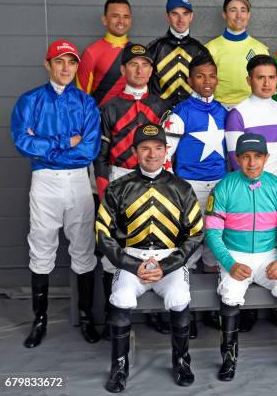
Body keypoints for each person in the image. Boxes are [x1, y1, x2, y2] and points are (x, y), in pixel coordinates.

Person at [97, 124, 203, 392]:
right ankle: (119, 366)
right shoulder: (118, 187)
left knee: (179, 299)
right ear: (134, 152)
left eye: (157, 148)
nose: (152, 154)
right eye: (145, 148)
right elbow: (102, 233)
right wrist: (132, 264)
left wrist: (167, 265)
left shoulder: (182, 187)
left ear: (166, 150)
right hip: (132, 258)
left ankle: (181, 361)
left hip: (170, 259)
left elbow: (197, 233)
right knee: (120, 299)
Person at [11, 40, 101, 347]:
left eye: (71, 63)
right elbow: (23, 142)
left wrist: (47, 143)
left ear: (77, 67)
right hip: (45, 180)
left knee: (84, 247)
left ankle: (87, 316)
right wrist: (66, 142)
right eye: (59, 62)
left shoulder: (86, 103)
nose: (66, 68)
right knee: (41, 245)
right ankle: (39, 320)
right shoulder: (30, 100)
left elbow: (89, 149)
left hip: (78, 180)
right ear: (48, 64)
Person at [205, 133, 277, 381]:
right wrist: (230, 263)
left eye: (257, 156)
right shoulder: (224, 186)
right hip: (235, 254)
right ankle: (229, 357)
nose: (251, 163)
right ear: (237, 159)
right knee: (230, 293)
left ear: (266, 158)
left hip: (268, 254)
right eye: (245, 157)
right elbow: (213, 234)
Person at [94, 43, 171, 339]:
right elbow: (100, 155)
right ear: (124, 69)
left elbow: (169, 150)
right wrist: (104, 192)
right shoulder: (109, 108)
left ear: (151, 70)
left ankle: (154, 313)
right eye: (133, 65)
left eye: (145, 65)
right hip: (120, 179)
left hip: (155, 179)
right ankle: (113, 314)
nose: (140, 70)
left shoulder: (162, 106)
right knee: (113, 244)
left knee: (153, 239)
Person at [163, 52, 228, 332]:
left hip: (221, 188)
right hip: (189, 188)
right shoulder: (179, 113)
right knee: (188, 247)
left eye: (212, 76)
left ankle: (213, 311)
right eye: (200, 76)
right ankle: (184, 310)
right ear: (190, 79)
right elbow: (166, 156)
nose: (207, 81)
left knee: (216, 248)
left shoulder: (225, 112)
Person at [226, 55, 277, 189]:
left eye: (271, 77)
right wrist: (256, 191)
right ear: (249, 80)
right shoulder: (237, 115)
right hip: (251, 192)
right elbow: (237, 162)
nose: (267, 83)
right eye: (260, 78)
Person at [206, 0, 269, 108]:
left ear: (248, 15)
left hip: (252, 110)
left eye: (243, 10)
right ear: (224, 14)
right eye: (233, 10)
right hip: (218, 110)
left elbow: (267, 87)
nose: (239, 15)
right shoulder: (209, 49)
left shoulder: (261, 49)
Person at [148, 0, 209, 108]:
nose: (181, 19)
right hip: (159, 113)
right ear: (167, 17)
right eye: (175, 14)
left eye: (185, 14)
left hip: (192, 112)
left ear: (191, 16)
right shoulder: (154, 48)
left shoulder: (200, 50)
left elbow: (207, 85)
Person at [77, 0, 132, 106]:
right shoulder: (91, 53)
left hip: (133, 120)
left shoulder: (138, 52)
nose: (121, 21)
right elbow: (82, 98)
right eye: (115, 16)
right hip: (102, 120)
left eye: (126, 16)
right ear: (104, 20)